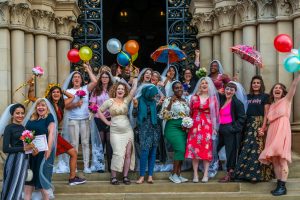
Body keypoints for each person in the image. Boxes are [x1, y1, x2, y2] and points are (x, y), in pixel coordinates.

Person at [28, 81, 86, 185]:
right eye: (54, 92)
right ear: (50, 94)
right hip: (45, 135)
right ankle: (39, 181)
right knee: (44, 158)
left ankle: (72, 178)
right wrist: (31, 86)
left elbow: (72, 97)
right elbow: (31, 97)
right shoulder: (46, 103)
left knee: (73, 153)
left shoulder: (62, 104)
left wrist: (62, 90)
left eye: (58, 92)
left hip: (54, 135)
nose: (56, 94)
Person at [259, 74, 300, 196]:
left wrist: (298, 72)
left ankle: (283, 186)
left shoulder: (287, 100)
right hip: (272, 130)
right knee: (275, 160)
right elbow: (267, 121)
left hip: (282, 130)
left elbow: (294, 85)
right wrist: (263, 129)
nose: (277, 89)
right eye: (275, 88)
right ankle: (279, 185)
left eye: (280, 88)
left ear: (283, 92)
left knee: (282, 159)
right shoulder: (270, 106)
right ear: (272, 92)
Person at [97, 80, 138, 185]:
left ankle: (125, 176)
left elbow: (133, 90)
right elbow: (99, 111)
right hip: (115, 131)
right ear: (115, 90)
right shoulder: (109, 101)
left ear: (125, 92)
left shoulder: (126, 100)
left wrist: (136, 79)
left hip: (127, 131)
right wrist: (107, 121)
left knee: (128, 153)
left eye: (122, 89)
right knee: (117, 153)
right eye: (119, 89)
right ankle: (113, 177)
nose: (120, 90)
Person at [234, 75, 273, 182]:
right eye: (254, 83)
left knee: (257, 148)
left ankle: (257, 175)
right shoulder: (247, 97)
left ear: (261, 85)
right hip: (247, 124)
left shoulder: (265, 96)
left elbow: (266, 113)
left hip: (259, 123)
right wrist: (235, 82)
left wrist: (263, 127)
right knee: (246, 147)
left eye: (258, 83)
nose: (256, 84)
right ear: (251, 85)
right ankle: (244, 174)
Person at [64, 63, 97, 174]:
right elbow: (66, 106)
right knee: (73, 144)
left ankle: (86, 166)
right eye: (75, 77)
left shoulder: (85, 89)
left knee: (85, 143)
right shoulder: (68, 91)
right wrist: (76, 104)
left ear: (81, 80)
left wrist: (88, 69)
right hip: (73, 120)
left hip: (85, 119)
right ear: (72, 80)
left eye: (78, 77)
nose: (77, 78)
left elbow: (95, 82)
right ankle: (75, 167)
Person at [185, 77, 219, 183]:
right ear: (199, 85)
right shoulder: (194, 98)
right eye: (202, 83)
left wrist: (214, 128)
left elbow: (215, 115)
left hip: (207, 126)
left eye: (206, 83)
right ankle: (195, 174)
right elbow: (190, 112)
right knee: (194, 150)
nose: (204, 85)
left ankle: (205, 174)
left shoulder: (213, 99)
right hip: (194, 127)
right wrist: (187, 123)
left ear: (209, 86)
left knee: (206, 150)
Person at [0, 104, 37, 200]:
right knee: (11, 185)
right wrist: (23, 149)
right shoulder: (9, 128)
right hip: (13, 160)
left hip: (24, 160)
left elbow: (26, 145)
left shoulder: (23, 128)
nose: (20, 115)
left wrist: (32, 149)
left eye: (22, 113)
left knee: (19, 186)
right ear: (12, 114)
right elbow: (5, 149)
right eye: (17, 113)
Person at [24, 98, 58, 200]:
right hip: (31, 152)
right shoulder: (32, 118)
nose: (40, 107)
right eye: (38, 105)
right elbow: (26, 134)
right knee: (29, 181)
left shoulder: (49, 117)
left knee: (42, 181)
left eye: (43, 105)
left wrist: (49, 149)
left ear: (47, 107)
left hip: (43, 152)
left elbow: (51, 134)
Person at [160, 81, 190, 183]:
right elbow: (163, 116)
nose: (179, 89)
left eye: (180, 87)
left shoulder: (185, 100)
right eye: (176, 88)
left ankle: (178, 174)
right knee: (180, 149)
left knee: (181, 151)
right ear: (173, 90)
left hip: (182, 128)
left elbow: (187, 115)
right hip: (172, 127)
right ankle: (173, 174)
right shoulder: (168, 99)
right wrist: (170, 104)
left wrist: (187, 124)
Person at [218, 82, 246, 183]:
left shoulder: (237, 103)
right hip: (221, 129)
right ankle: (218, 166)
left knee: (230, 153)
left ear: (235, 92)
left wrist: (233, 129)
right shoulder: (222, 100)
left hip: (230, 130)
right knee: (214, 148)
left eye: (231, 90)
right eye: (227, 89)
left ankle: (230, 173)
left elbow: (242, 118)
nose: (228, 91)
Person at [133, 84, 161, 184]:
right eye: (153, 94)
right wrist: (135, 107)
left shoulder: (153, 101)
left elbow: (156, 114)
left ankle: (150, 176)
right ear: (148, 93)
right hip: (144, 129)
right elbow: (134, 114)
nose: (155, 96)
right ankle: (141, 176)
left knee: (153, 152)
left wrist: (160, 105)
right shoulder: (139, 100)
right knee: (145, 152)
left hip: (154, 128)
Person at [90, 71, 114, 172]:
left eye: (106, 77)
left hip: (111, 118)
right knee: (100, 141)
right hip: (98, 118)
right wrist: (98, 110)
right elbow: (92, 104)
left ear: (109, 78)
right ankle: (99, 166)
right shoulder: (96, 90)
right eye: (103, 77)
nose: (104, 79)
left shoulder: (113, 90)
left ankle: (110, 165)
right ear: (100, 79)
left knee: (109, 141)